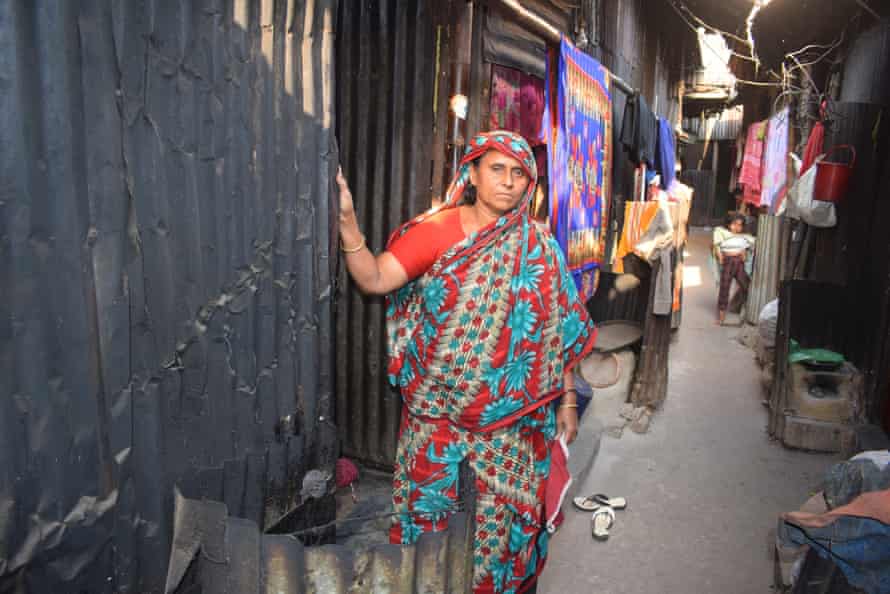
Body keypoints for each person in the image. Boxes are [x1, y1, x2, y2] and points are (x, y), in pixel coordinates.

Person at [337, 131, 597, 593]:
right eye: (497, 169)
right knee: (430, 540)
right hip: (436, 422)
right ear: (473, 173)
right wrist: (348, 221)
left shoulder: (539, 248)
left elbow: (556, 335)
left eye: (519, 174)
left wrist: (568, 404)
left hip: (513, 429)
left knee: (501, 542)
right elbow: (376, 279)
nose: (508, 182)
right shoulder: (438, 232)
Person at [713, 213, 755, 325]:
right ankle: (721, 316)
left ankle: (746, 311)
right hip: (727, 262)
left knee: (746, 285)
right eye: (734, 224)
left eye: (740, 225)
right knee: (724, 288)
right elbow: (716, 246)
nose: (737, 227)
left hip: (739, 263)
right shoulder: (722, 233)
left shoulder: (745, 237)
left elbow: (748, 250)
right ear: (728, 224)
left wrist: (744, 254)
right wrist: (720, 256)